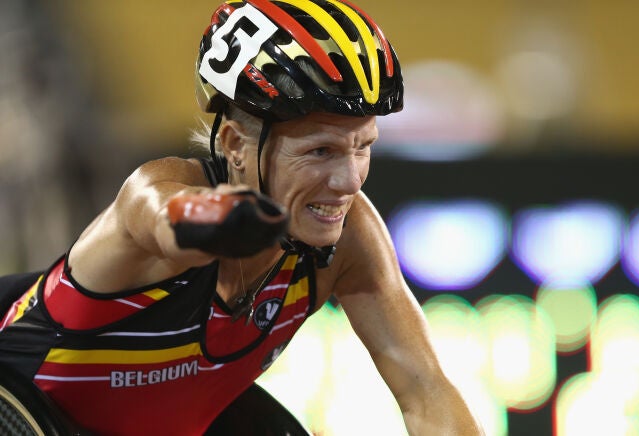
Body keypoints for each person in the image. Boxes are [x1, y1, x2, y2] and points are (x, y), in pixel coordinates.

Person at [0, 0, 484, 434]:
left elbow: (427, 392)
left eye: (363, 147)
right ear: (234, 144)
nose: (349, 181)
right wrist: (218, 219)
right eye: (320, 151)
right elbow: (164, 217)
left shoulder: (350, 236)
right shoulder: (156, 187)